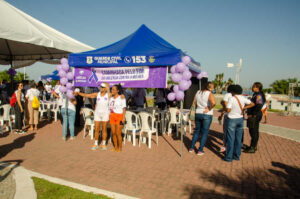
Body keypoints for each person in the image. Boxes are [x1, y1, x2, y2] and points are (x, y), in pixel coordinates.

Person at [76, 83, 111, 150]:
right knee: (97, 129)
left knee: (104, 129)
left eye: (103, 87)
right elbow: (87, 95)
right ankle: (96, 143)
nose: (101, 88)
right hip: (97, 113)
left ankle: (103, 144)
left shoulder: (108, 95)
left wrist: (122, 96)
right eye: (100, 87)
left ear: (105, 88)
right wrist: (79, 93)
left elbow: (116, 95)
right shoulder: (97, 94)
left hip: (105, 114)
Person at [224, 85, 254, 162]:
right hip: (240, 119)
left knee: (230, 139)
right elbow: (252, 104)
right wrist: (244, 108)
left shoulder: (232, 99)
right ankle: (237, 156)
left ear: (233, 91)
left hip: (232, 119)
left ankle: (229, 157)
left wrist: (226, 108)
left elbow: (228, 110)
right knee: (238, 139)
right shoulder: (243, 98)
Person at [189, 82, 216, 156]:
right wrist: (209, 108)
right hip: (206, 114)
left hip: (198, 113)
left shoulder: (198, 92)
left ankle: (191, 147)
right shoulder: (209, 94)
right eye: (212, 87)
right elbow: (214, 103)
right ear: (209, 88)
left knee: (196, 131)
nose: (213, 89)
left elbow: (194, 102)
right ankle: (200, 150)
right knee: (204, 132)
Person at [244, 82, 266, 153]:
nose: (252, 88)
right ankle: (253, 146)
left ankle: (253, 147)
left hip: (255, 115)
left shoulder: (258, 95)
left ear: (257, 87)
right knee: (254, 130)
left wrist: (253, 114)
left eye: (253, 87)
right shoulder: (255, 94)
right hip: (255, 115)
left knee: (253, 131)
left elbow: (259, 105)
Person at [109, 84, 126, 152]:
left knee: (118, 133)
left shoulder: (121, 98)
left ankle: (120, 148)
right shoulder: (111, 98)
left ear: (117, 91)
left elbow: (124, 109)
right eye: (111, 89)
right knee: (113, 133)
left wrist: (123, 118)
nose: (111, 90)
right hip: (112, 116)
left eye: (113, 89)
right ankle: (115, 147)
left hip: (119, 116)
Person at [218, 84, 235, 152]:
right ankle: (232, 146)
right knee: (233, 133)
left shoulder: (228, 95)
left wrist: (221, 116)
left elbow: (225, 107)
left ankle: (225, 146)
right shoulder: (238, 96)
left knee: (226, 132)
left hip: (228, 116)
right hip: (237, 117)